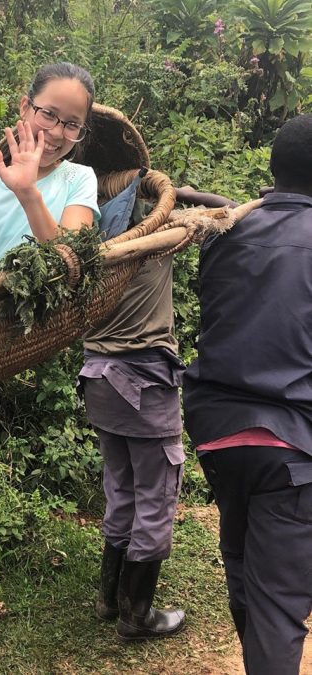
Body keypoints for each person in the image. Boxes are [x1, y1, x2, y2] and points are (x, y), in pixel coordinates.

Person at [183, 114, 312, 674]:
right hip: (291, 444)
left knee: (242, 561)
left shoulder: (225, 231)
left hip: (218, 434)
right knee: (279, 603)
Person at [77, 252, 187, 640]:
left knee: (121, 488)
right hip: (144, 380)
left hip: (97, 376)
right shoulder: (155, 233)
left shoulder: (85, 230)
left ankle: (109, 600)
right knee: (155, 496)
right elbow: (228, 217)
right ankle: (137, 616)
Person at [0, 62, 100, 278]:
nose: (56, 132)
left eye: (72, 124)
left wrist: (28, 194)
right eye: (49, 114)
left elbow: (73, 257)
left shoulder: (80, 178)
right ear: (25, 106)